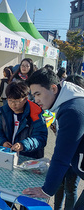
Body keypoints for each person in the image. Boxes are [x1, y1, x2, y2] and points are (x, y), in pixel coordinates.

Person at [23, 68, 84, 210]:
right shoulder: (71, 100)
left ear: (53, 88)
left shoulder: (72, 110)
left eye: (38, 94)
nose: (36, 100)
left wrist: (46, 190)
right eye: (33, 95)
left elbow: (62, 156)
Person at [0, 81, 48, 158]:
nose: (13, 104)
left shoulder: (35, 114)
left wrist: (23, 145)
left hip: (29, 158)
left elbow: (41, 138)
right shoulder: (4, 112)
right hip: (8, 155)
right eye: (10, 100)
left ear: (25, 99)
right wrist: (3, 142)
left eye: (17, 101)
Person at [53, 74, 83, 210]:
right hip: (62, 156)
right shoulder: (61, 108)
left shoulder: (77, 110)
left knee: (70, 189)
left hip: (75, 160)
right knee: (58, 186)